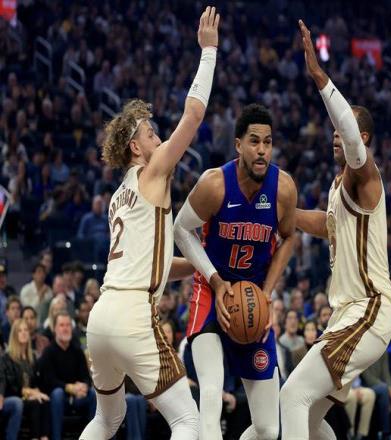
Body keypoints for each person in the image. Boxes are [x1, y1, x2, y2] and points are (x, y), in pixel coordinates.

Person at [79, 7, 220, 440]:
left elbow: (151, 263)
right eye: (151, 133)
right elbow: (193, 117)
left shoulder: (118, 196)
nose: (159, 137)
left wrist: (199, 266)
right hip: (134, 315)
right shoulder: (152, 172)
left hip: (101, 316)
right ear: (136, 148)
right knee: (188, 420)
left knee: (107, 419)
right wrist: (209, 52)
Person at [279, 21, 391, 440]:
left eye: (341, 133)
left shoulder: (366, 177)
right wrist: (282, 213)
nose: (334, 137)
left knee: (291, 396)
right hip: (347, 315)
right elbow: (326, 226)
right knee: (309, 417)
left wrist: (318, 75)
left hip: (368, 309)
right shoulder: (337, 187)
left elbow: (347, 132)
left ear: (360, 139)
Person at [174, 103, 297, 440]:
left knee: (268, 429)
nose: (262, 150)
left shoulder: (284, 188)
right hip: (211, 294)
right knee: (211, 395)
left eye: (268, 142)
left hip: (252, 299)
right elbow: (181, 229)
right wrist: (215, 281)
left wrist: (267, 292)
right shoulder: (214, 184)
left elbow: (288, 237)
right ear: (239, 144)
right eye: (254, 141)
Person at [37, 312, 96, 440]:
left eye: (68, 325)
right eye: (62, 325)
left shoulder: (77, 351)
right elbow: (49, 381)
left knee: (92, 394)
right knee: (57, 393)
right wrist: (69, 388)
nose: (65, 328)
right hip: (58, 398)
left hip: (78, 396)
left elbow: (86, 377)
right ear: (55, 329)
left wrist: (84, 386)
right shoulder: (48, 352)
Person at [1, 318, 50, 440]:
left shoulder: (32, 356)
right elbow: (12, 386)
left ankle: (44, 437)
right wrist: (31, 393)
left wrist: (36, 392)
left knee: (44, 401)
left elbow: (37, 381)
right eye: (20, 330)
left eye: (25, 330)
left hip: (29, 397)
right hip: (14, 396)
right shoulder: (7, 358)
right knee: (35, 403)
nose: (23, 333)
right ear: (14, 335)